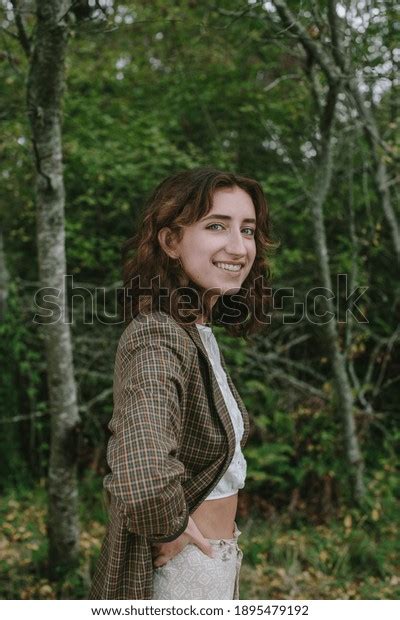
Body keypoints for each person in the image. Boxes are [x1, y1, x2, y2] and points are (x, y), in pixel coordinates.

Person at [89, 167, 275, 600]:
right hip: (181, 572)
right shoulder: (158, 334)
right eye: (216, 226)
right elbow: (141, 475)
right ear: (170, 242)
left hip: (210, 561)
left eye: (247, 230)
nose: (238, 246)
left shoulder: (193, 332)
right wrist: (168, 524)